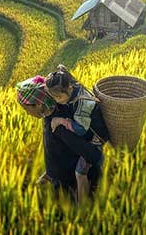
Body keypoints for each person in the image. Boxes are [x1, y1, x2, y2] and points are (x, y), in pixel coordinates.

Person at [45, 65, 110, 204]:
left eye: (59, 97)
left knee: (80, 173)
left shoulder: (83, 103)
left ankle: (82, 205)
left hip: (95, 140)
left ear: (69, 89)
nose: (57, 101)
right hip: (85, 133)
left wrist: (62, 120)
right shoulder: (71, 88)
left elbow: (81, 130)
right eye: (54, 97)